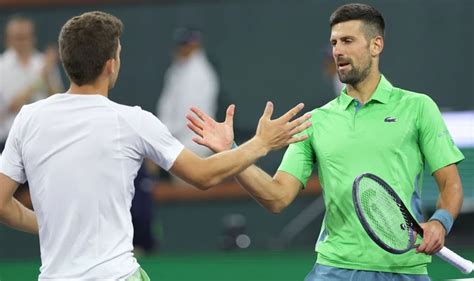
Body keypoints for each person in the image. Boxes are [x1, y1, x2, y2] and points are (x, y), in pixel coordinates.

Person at [0, 11, 311, 280]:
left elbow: (2, 204)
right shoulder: (132, 120)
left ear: (66, 62)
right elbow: (203, 175)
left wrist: (52, 226)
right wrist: (260, 143)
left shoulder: (28, 118)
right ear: (112, 65)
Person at [186, 3, 465, 280]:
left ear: (375, 45)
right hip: (335, 270)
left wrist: (440, 223)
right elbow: (277, 197)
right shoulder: (314, 121)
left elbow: (450, 184)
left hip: (405, 269)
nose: (337, 51)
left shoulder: (418, 107)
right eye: (334, 42)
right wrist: (233, 153)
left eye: (347, 41)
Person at [0, 15, 63, 151]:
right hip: (8, 141)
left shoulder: (44, 63)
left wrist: (48, 75)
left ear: (33, 37)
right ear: (8, 39)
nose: (22, 42)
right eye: (17, 37)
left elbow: (58, 101)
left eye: (25, 37)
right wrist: (41, 78)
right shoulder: (1, 66)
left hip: (43, 138)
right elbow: (11, 105)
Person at [156, 26, 219, 158]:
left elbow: (188, 113)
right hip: (178, 141)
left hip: (193, 143)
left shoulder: (199, 74)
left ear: (195, 45)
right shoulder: (178, 69)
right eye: (180, 44)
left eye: (185, 44)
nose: (181, 48)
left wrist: (164, 136)